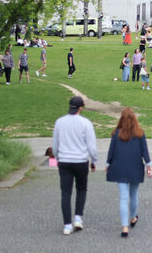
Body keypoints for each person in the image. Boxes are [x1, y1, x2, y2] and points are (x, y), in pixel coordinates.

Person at [51, 96, 99, 235]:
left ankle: (67, 225)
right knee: (81, 189)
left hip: (65, 161)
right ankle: (78, 217)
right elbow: (92, 146)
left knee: (65, 192)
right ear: (80, 108)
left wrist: (58, 157)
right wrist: (94, 161)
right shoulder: (85, 123)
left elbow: (55, 145)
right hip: (80, 161)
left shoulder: (59, 122)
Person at [105, 107, 152, 238]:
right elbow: (145, 152)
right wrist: (149, 165)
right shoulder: (140, 133)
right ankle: (132, 217)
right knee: (134, 194)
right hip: (136, 167)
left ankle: (124, 226)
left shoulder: (116, 133)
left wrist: (107, 164)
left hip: (120, 168)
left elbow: (111, 151)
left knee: (123, 197)